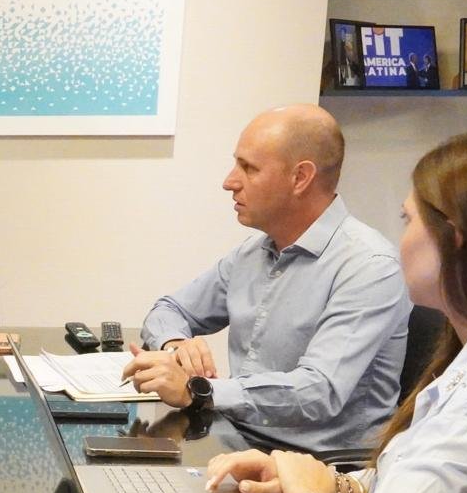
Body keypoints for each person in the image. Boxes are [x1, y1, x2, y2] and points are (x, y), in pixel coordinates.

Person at [204, 128, 467, 493]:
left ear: (453, 238)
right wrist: (328, 483)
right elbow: (413, 488)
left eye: (407, 220)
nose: (399, 238)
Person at [124, 104, 410, 454]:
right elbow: (169, 310)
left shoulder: (369, 267)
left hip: (323, 466)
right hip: (241, 441)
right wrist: (175, 345)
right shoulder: (254, 252)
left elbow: (319, 392)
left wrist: (197, 390)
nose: (229, 182)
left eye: (249, 168)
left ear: (300, 178)